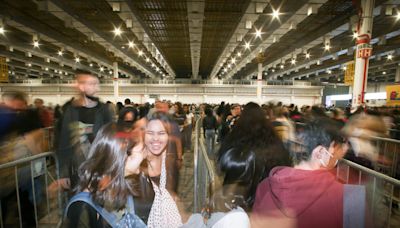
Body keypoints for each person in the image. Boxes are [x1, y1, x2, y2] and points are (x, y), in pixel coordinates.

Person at [251, 118, 353, 228]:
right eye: (337, 154)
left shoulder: (266, 185)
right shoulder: (347, 197)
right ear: (320, 152)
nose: (337, 160)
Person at [63, 123, 146, 228]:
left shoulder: (119, 189)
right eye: (141, 151)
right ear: (122, 157)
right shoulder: (82, 208)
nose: (144, 156)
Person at [56, 70, 112, 192]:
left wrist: (110, 172)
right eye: (92, 83)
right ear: (82, 87)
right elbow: (64, 142)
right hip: (75, 171)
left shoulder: (104, 111)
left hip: (100, 170)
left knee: (97, 207)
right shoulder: (70, 111)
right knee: (76, 205)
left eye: (97, 84)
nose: (97, 88)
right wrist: (64, 173)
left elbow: (112, 141)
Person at [139, 112, 182, 227]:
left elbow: (171, 192)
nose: (156, 139)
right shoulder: (135, 164)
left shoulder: (168, 162)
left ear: (169, 136)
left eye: (161, 133)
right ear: (143, 135)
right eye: (150, 133)